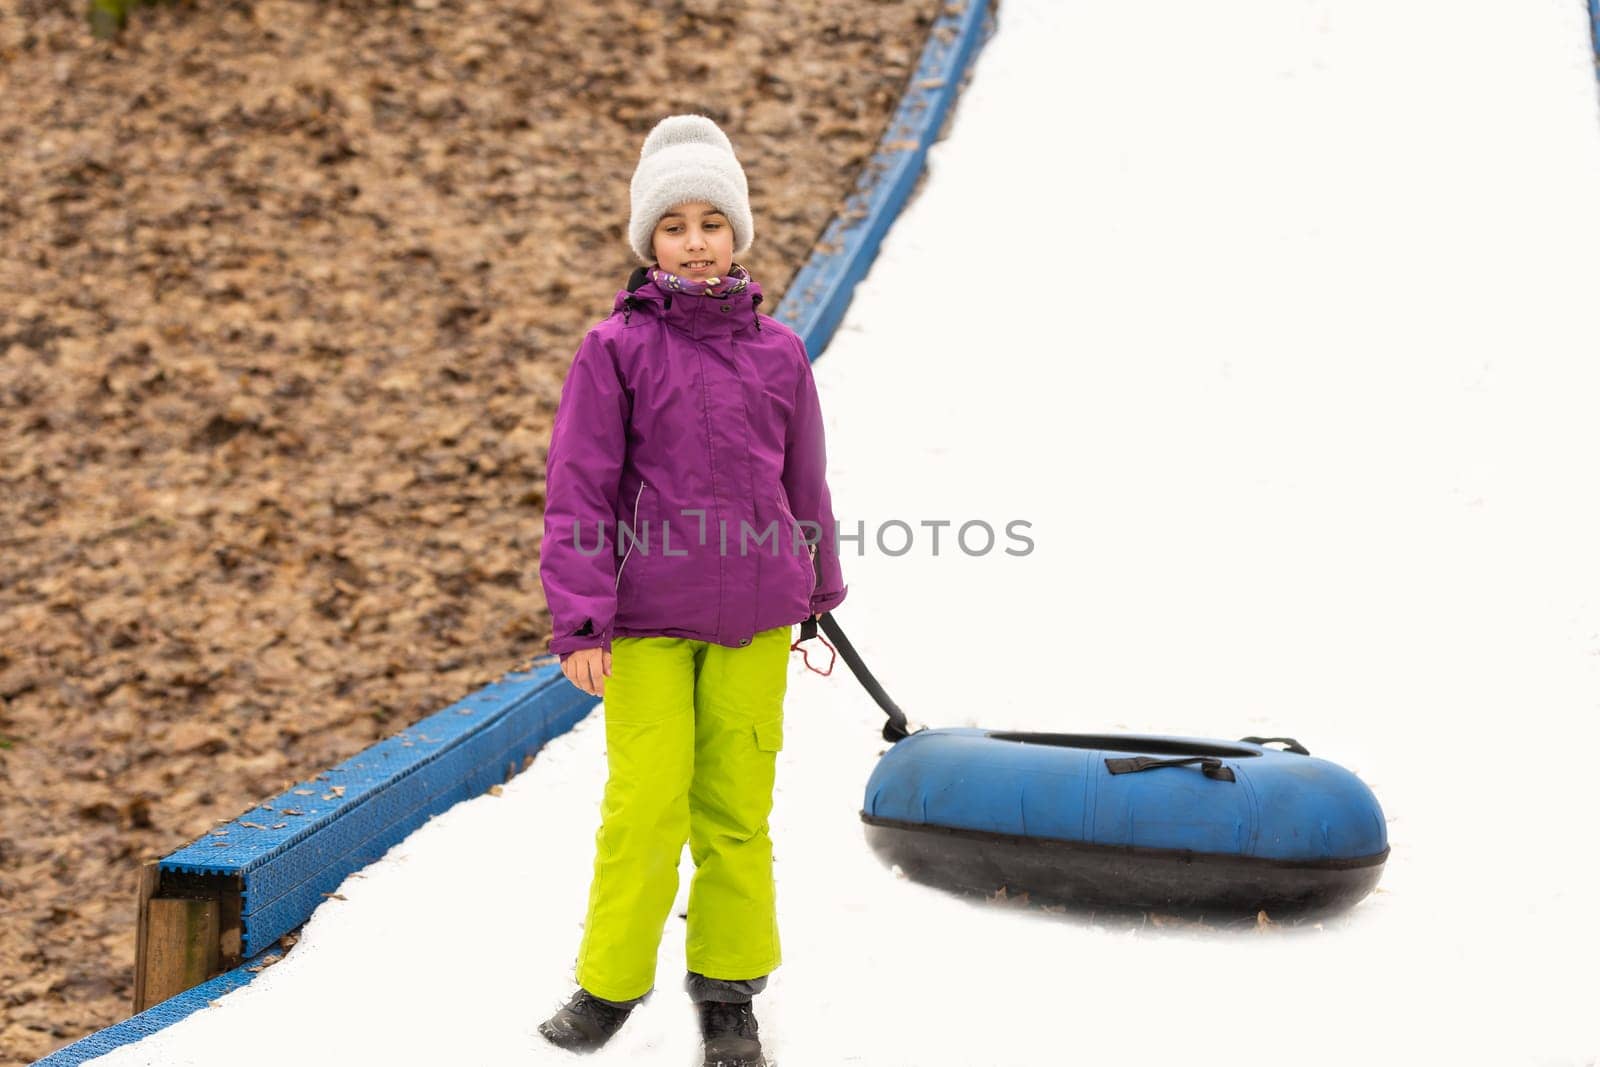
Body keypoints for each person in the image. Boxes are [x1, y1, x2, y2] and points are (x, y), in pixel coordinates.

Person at [535, 113, 847, 1067]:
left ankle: (729, 991)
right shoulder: (615, 350)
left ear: (738, 232)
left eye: (714, 219)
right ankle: (609, 983)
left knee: (735, 808)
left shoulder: (779, 354)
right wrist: (582, 619)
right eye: (675, 224)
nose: (697, 239)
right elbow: (579, 489)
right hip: (648, 624)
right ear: (649, 240)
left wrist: (818, 589)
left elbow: (806, 484)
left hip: (756, 618)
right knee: (646, 805)